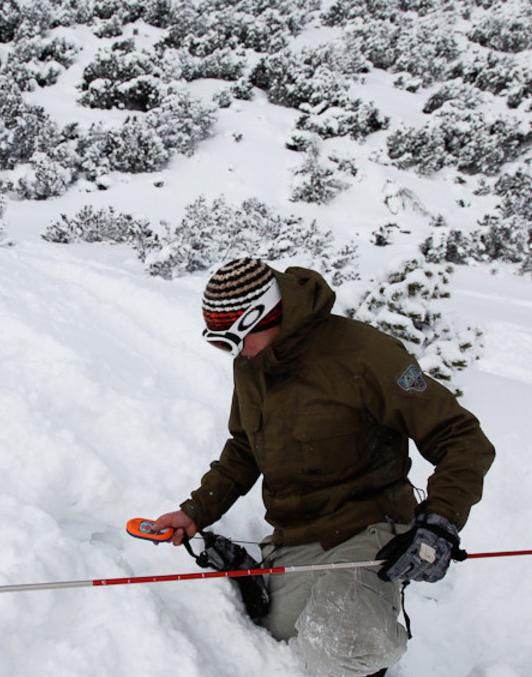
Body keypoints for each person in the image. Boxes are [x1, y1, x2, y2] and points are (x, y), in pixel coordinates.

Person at [152, 257, 495, 677]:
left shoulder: (368, 356)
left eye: (232, 340)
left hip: (368, 528)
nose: (233, 354)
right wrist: (194, 512)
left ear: (264, 315)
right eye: (221, 344)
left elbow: (461, 437)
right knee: (278, 640)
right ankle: (278, 583)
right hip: (297, 535)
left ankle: (376, 628)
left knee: (344, 647)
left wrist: (440, 521)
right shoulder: (252, 364)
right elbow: (245, 448)